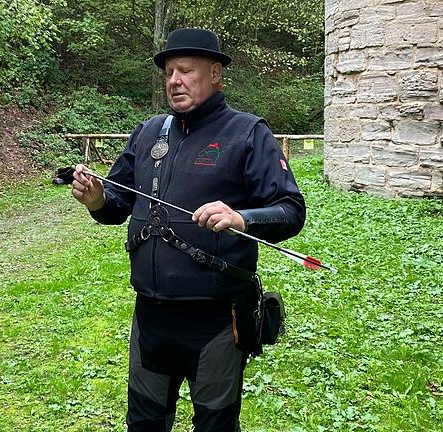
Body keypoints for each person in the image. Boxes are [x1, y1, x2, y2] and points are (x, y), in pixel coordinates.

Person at [71, 28, 306, 432]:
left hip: (215, 318)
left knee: (214, 424)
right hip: (151, 316)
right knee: (144, 420)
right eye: (169, 73)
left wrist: (241, 218)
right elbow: (117, 202)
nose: (174, 80)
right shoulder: (148, 132)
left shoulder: (247, 132)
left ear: (215, 73)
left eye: (186, 70)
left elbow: (290, 211)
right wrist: (96, 199)